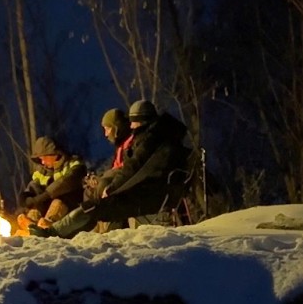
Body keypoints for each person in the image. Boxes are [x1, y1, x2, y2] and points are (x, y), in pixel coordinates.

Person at [32, 100, 191, 238]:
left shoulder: (150, 142)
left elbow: (133, 168)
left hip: (149, 198)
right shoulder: (165, 140)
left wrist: (112, 188)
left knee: (94, 207)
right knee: (98, 207)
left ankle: (53, 231)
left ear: (141, 121)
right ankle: (56, 231)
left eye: (133, 123)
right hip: (152, 195)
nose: (130, 126)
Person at [18, 136, 87, 230]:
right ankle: (31, 225)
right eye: (40, 159)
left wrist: (45, 195)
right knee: (35, 204)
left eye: (44, 158)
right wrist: (26, 196)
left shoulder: (73, 163)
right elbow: (34, 185)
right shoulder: (42, 171)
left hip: (70, 206)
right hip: (46, 207)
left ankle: (47, 226)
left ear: (52, 154)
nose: (42, 162)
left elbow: (66, 181)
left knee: (57, 202)